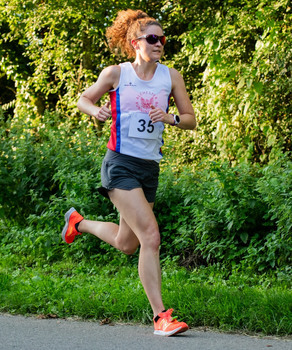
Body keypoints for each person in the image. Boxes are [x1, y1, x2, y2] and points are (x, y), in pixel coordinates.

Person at [61, 9, 196, 337]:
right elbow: (83, 99)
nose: (159, 43)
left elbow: (190, 118)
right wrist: (97, 111)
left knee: (127, 244)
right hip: (119, 163)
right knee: (151, 236)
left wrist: (171, 119)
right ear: (136, 43)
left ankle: (78, 223)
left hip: (149, 168)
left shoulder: (171, 77)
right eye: (152, 38)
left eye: (162, 38)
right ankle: (161, 317)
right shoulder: (116, 74)